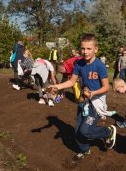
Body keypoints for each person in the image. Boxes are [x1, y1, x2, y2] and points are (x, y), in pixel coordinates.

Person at [50, 33, 117, 161]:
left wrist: (92, 93)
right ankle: (85, 150)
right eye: (83, 48)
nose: (85, 52)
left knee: (85, 131)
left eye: (89, 48)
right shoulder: (79, 63)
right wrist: (56, 87)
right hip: (83, 100)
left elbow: (106, 87)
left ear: (95, 49)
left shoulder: (100, 66)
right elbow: (71, 81)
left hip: (96, 101)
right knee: (77, 132)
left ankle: (108, 131)